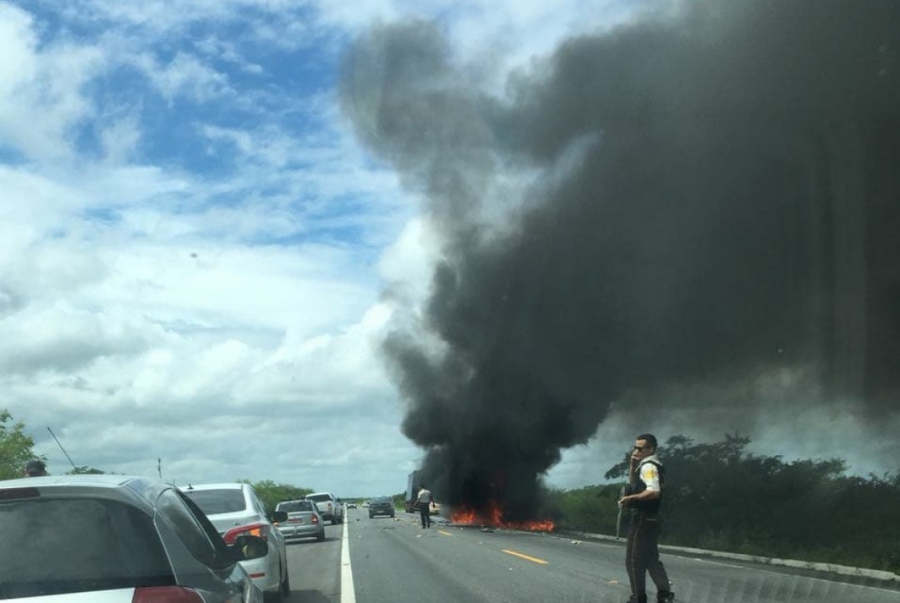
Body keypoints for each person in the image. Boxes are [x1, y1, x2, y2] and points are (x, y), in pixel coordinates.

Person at [618, 434, 674, 603]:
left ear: (651, 449)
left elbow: (653, 491)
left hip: (641, 520)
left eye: (640, 448)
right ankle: (664, 594)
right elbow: (636, 484)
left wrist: (630, 499)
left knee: (633, 561)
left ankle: (638, 597)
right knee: (650, 559)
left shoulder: (648, 466)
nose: (636, 451)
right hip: (652, 520)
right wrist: (632, 464)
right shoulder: (651, 465)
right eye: (635, 447)